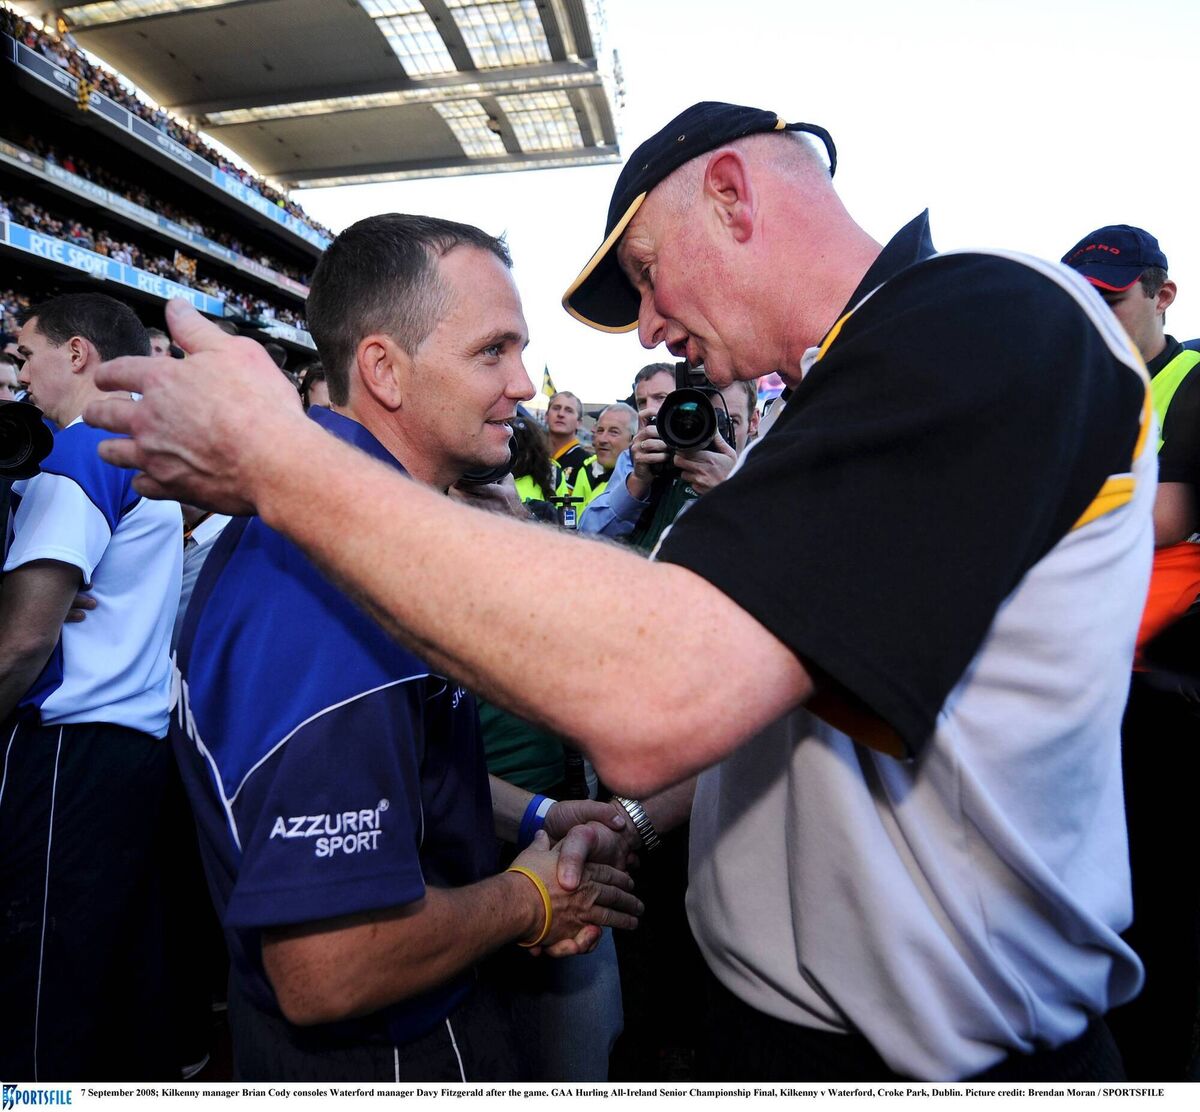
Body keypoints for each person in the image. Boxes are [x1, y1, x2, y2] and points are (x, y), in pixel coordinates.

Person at [89, 101, 1154, 1082]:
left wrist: (279, 459)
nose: (648, 327)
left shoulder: (993, 311)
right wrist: (630, 823)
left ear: (734, 194)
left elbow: (661, 690)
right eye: (494, 347)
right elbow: (780, 688)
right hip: (782, 1022)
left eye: (647, 272)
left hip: (944, 1061)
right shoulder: (839, 390)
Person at [168, 214, 640, 1082]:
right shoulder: (325, 587)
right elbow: (329, 964)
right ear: (384, 369)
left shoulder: (363, 533)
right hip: (387, 1052)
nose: (526, 384)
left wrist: (536, 818)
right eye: (492, 352)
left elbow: (403, 764)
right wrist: (527, 899)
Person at [0, 293, 183, 1080]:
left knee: (42, 990)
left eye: (24, 354)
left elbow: (24, 641)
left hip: (66, 753)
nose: (17, 375)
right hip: (134, 747)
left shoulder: (78, 453)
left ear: (76, 354)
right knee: (117, 978)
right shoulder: (140, 447)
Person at [1062, 225, 1200, 1080]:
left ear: (1162, 297)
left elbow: (1167, 517)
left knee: (1161, 915)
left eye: (1111, 302)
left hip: (1167, 697)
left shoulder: (1190, 383)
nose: (1098, 320)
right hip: (1087, 692)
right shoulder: (1088, 393)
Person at [579, 365, 742, 547]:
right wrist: (637, 482)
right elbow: (588, 532)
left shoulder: (729, 460)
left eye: (661, 398)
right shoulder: (635, 457)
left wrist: (730, 491)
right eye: (641, 402)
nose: (649, 410)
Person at [573, 402, 636, 516]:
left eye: (613, 432)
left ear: (633, 439)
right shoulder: (586, 469)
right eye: (600, 430)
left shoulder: (635, 485)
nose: (602, 439)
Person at [545, 390, 589, 488]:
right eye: (556, 408)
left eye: (569, 410)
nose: (560, 414)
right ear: (546, 416)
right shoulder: (531, 456)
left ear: (579, 422)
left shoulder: (586, 464)